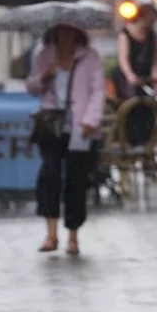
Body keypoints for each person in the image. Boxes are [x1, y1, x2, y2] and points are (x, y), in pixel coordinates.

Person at [26, 22, 106, 256]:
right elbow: (31, 87)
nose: (66, 38)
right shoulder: (44, 55)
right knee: (49, 175)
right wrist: (45, 75)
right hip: (51, 125)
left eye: (70, 33)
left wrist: (91, 119)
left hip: (80, 128)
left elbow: (98, 90)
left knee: (76, 181)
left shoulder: (89, 58)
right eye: (61, 33)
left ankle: (73, 235)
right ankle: (51, 234)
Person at [114, 2, 157, 99]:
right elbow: (123, 58)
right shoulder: (125, 34)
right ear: (141, 18)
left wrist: (155, 73)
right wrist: (130, 75)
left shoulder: (152, 35)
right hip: (127, 77)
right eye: (150, 21)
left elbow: (155, 59)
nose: (151, 24)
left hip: (145, 75)